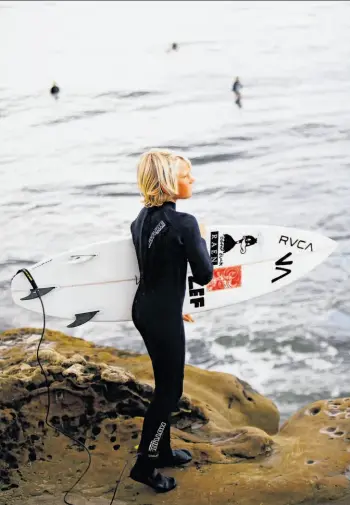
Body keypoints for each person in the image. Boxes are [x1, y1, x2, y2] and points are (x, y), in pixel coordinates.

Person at [129, 149, 213, 493]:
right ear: (167, 181)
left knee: (165, 385)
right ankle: (146, 464)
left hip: (147, 310)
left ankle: (161, 451)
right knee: (169, 392)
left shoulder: (140, 220)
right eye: (185, 175)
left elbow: (155, 269)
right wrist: (202, 238)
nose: (192, 180)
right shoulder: (185, 223)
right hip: (160, 314)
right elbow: (205, 275)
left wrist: (173, 305)